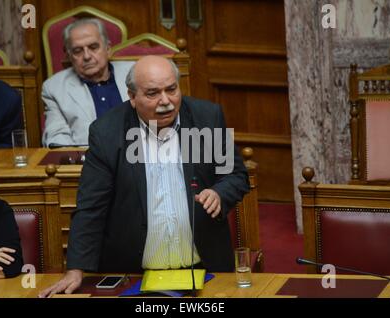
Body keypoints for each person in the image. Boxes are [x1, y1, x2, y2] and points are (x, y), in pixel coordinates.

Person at [39, 55, 249, 297]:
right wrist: (76, 269)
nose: (166, 101)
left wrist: (219, 192)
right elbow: (91, 206)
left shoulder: (205, 119)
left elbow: (236, 174)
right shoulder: (108, 132)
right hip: (135, 274)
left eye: (172, 89)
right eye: (152, 93)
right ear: (131, 96)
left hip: (204, 268)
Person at [42, 18, 131, 147]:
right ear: (69, 56)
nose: (87, 56)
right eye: (77, 51)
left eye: (93, 47)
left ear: (108, 48)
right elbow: (57, 137)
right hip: (89, 161)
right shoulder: (54, 88)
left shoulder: (136, 72)